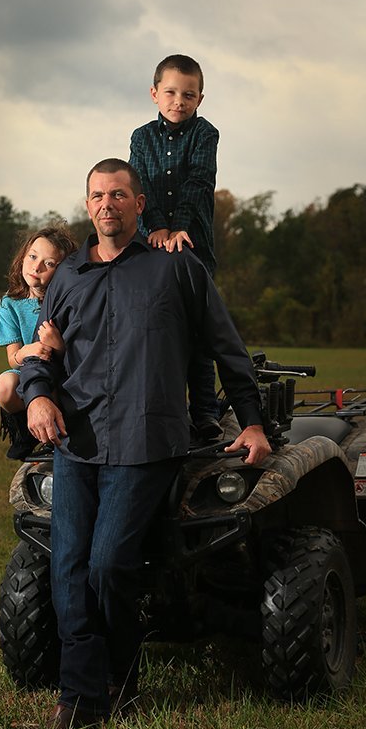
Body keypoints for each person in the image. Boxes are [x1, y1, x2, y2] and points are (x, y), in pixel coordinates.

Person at [17, 158, 271, 729]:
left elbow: (227, 349)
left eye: (119, 195)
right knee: (68, 569)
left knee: (109, 565)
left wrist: (252, 422)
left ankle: (118, 683)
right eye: (97, 196)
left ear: (139, 202)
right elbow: (41, 356)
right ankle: (79, 701)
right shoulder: (65, 280)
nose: (107, 204)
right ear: (88, 206)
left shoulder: (177, 271)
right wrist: (36, 397)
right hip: (74, 441)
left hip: (145, 441)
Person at [129, 54, 221, 441]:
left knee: (198, 332)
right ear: (154, 93)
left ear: (200, 98)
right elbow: (140, 187)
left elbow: (198, 183)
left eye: (188, 94)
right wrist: (157, 227)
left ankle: (204, 412)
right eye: (170, 92)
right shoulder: (141, 137)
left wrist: (179, 227)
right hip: (150, 242)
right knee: (153, 329)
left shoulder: (205, 134)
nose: (178, 101)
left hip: (192, 244)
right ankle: (157, 409)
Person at [0, 223, 77, 459]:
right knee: (4, 385)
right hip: (27, 376)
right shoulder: (10, 305)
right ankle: (24, 429)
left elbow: (75, 355)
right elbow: (13, 358)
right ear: (23, 256)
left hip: (62, 376)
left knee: (60, 390)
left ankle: (56, 436)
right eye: (32, 257)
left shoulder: (67, 301)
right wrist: (31, 350)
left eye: (48, 263)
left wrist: (57, 345)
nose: (36, 267)